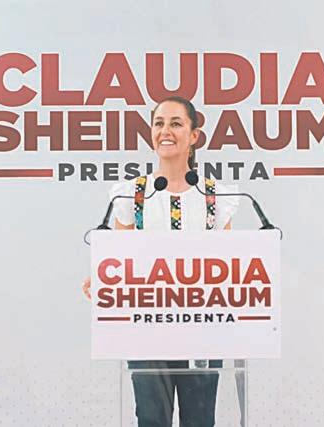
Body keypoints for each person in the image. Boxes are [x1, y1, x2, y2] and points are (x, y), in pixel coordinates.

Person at [83, 96, 239, 427]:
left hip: (202, 329)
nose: (165, 131)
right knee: (151, 418)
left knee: (200, 420)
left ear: (194, 135)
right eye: (159, 123)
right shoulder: (131, 195)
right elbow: (121, 263)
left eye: (176, 123)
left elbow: (226, 269)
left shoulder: (216, 196)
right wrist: (104, 281)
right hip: (146, 329)